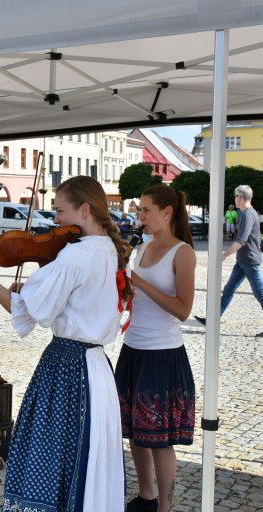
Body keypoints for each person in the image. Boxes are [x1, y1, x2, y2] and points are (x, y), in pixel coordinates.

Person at [0, 175, 130, 511]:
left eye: (59, 211)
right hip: (97, 370)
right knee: (86, 460)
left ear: (84, 209)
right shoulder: (111, 249)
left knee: (49, 455)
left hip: (68, 369)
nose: (55, 221)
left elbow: (21, 309)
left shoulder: (75, 256)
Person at [114, 185, 196, 512]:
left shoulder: (183, 252)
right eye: (139, 210)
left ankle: (165, 506)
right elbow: (130, 297)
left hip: (163, 354)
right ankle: (146, 496)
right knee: (136, 432)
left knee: (160, 439)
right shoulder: (142, 248)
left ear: (167, 212)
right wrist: (120, 287)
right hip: (133, 348)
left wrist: (139, 282)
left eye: (146, 210)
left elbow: (183, 309)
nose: (140, 217)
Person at [195, 185, 263, 333]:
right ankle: (212, 321)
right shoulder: (246, 213)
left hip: (250, 261)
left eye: (235, 196)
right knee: (229, 289)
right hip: (243, 261)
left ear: (240, 197)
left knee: (260, 293)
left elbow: (241, 240)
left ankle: (212, 320)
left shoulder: (248, 214)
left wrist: (224, 255)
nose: (234, 199)